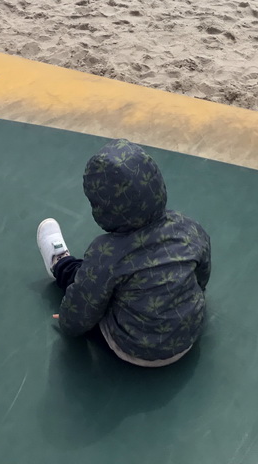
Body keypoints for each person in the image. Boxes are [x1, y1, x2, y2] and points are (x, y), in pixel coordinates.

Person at [37, 137, 211, 367]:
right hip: (188, 334)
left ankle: (60, 263)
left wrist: (68, 323)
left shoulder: (106, 253)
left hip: (136, 349)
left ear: (104, 207)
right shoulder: (188, 226)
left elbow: (82, 305)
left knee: (86, 278)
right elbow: (203, 274)